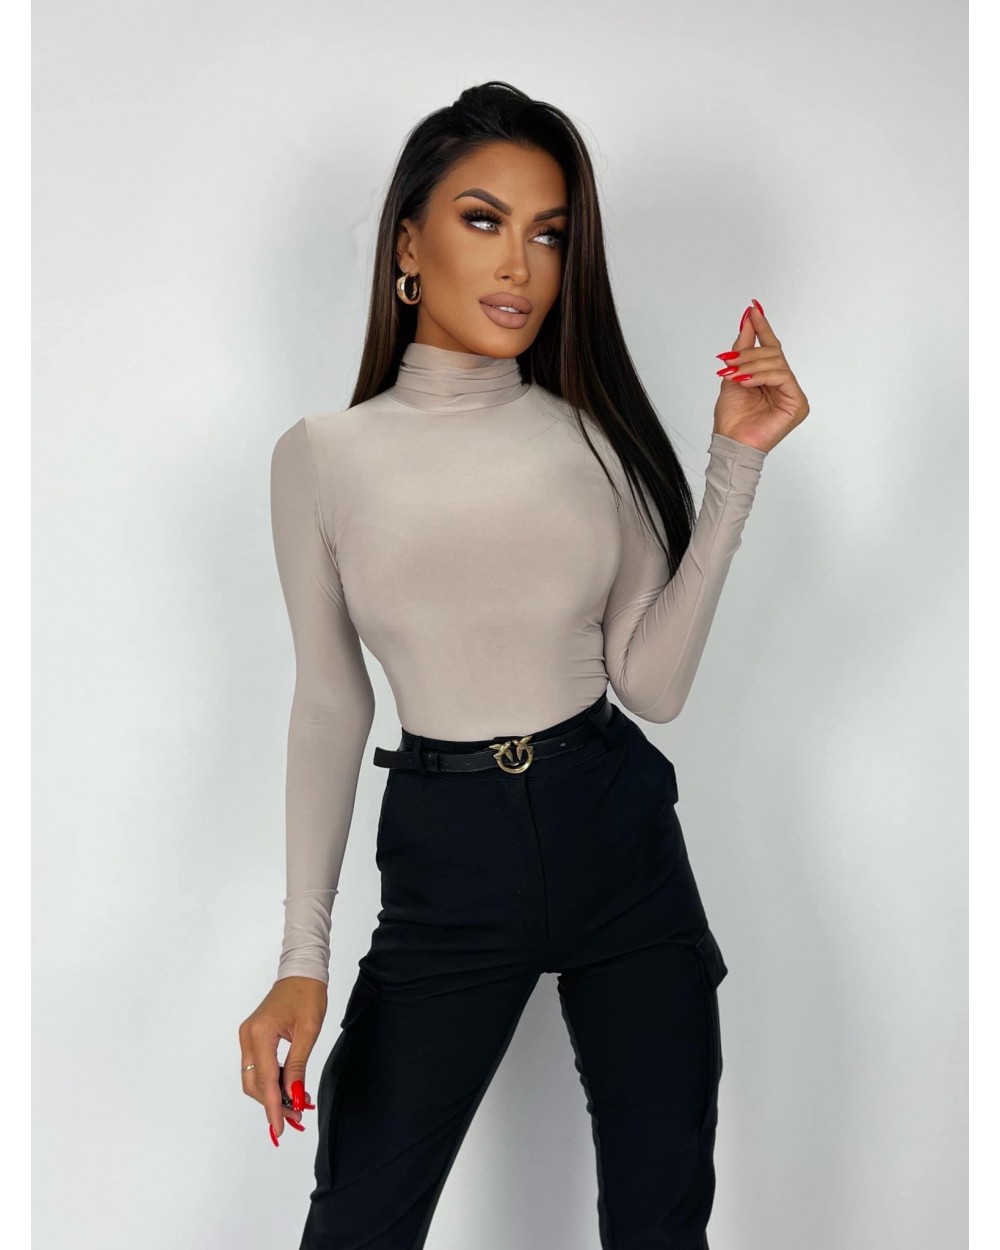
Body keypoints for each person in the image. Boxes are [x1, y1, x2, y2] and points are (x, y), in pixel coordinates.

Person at [238, 81, 809, 1250]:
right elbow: (331, 701)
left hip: (619, 839)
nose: (519, 265)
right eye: (482, 220)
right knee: (358, 1219)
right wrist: (302, 957)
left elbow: (650, 685)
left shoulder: (589, 438)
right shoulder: (323, 459)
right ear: (409, 244)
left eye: (548, 233)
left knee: (660, 1227)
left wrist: (734, 466)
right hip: (449, 856)